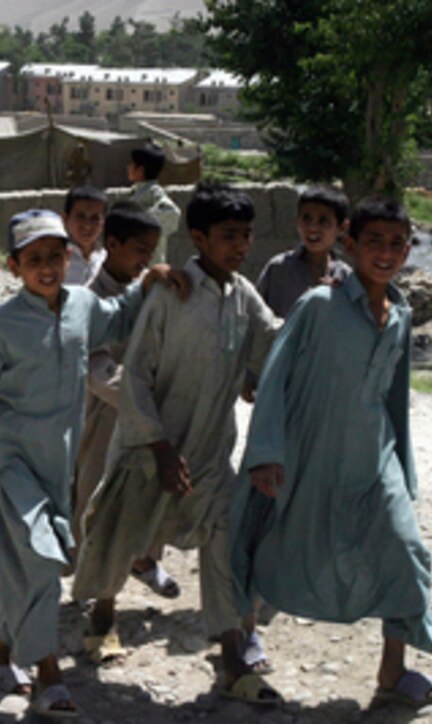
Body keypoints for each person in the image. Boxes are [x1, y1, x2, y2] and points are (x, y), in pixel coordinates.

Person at [0, 209, 180, 718]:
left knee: (23, 559)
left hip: (56, 463)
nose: (47, 267)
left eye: (55, 256)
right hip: (9, 461)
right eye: (34, 259)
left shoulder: (82, 305)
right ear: (13, 267)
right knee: (39, 558)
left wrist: (150, 281)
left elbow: (120, 316)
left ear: (69, 258)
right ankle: (47, 675)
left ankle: (0, 653)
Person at [230, 197, 432, 711]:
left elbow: (395, 396)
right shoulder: (319, 306)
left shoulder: (400, 314)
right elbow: (277, 374)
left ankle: (393, 672)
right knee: (270, 539)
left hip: (374, 460)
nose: (386, 253)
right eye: (374, 241)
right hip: (311, 451)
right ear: (349, 245)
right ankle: (244, 637)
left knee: (406, 550)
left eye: (398, 243)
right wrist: (265, 451)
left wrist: (405, 470)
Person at [73, 183, 281, 705]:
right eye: (229, 236)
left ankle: (232, 654)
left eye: (247, 236)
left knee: (225, 537)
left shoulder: (243, 295)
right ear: (198, 237)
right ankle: (102, 616)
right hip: (150, 446)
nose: (240, 246)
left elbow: (272, 342)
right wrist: (160, 447)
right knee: (123, 535)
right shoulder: (171, 293)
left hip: (211, 453)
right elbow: (137, 375)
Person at [68, 203, 181, 605]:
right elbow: (95, 368)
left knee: (148, 493)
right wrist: (140, 401)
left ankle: (144, 562)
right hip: (105, 416)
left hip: (144, 414)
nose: (145, 260)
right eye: (139, 250)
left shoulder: (144, 292)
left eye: (151, 252)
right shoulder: (87, 299)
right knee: (96, 498)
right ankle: (98, 594)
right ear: (112, 245)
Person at [256, 185, 352, 318]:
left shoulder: (346, 278)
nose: (312, 228)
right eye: (306, 219)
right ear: (297, 222)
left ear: (342, 228)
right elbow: (256, 319)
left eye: (323, 221)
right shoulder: (278, 269)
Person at [127, 142, 181, 263]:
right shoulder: (137, 191)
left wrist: (138, 222)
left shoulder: (153, 192)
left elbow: (172, 212)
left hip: (151, 263)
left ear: (140, 170)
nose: (128, 167)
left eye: (131, 164)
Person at [62, 186, 107, 285]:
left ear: (103, 222)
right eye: (80, 217)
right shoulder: (57, 259)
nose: (87, 225)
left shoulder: (106, 259)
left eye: (95, 218)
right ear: (66, 219)